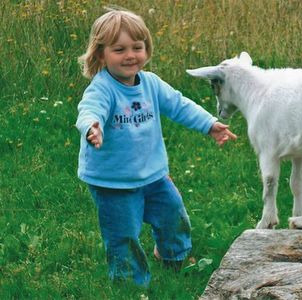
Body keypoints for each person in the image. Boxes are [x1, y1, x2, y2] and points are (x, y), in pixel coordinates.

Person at [75, 8, 237, 287]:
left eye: (137, 47)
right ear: (101, 54)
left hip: (154, 175)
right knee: (122, 233)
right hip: (114, 182)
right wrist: (92, 126)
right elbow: (90, 109)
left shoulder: (151, 83)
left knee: (173, 215)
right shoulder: (102, 88)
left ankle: (174, 257)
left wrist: (210, 124)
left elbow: (179, 104)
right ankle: (130, 284)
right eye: (119, 49)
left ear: (146, 49)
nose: (130, 55)